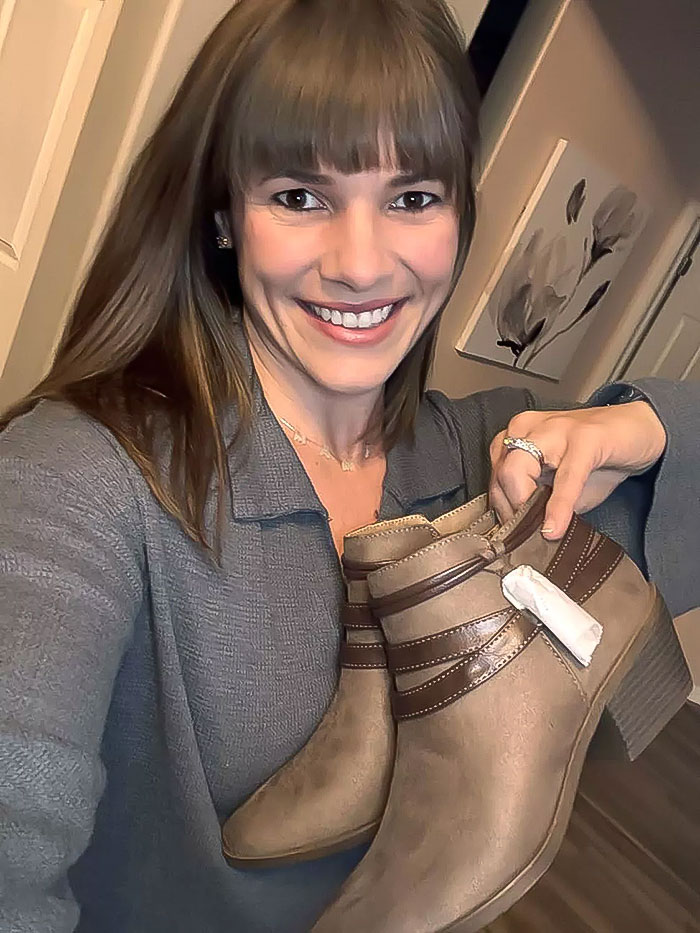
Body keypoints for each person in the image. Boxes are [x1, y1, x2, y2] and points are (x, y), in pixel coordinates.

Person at [0, 1, 696, 931]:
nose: (361, 265)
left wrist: (642, 425)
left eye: (412, 198)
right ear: (223, 217)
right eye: (300, 197)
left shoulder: (492, 459)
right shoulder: (77, 478)